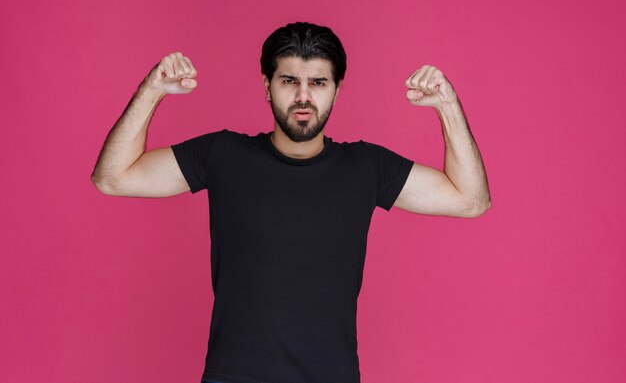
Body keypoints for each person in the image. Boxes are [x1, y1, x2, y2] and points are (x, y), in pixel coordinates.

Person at [91, 22, 491, 383]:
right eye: (289, 81)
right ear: (267, 86)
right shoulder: (223, 155)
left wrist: (447, 107)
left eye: (318, 83)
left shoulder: (367, 166)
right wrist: (153, 91)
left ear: (337, 89)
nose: (303, 96)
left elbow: (470, 200)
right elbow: (112, 177)